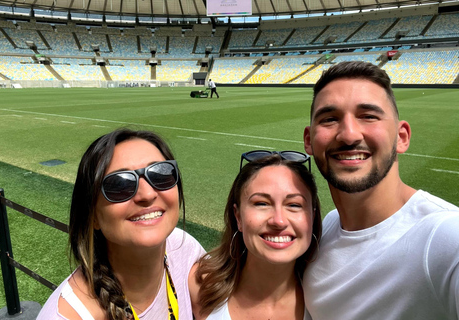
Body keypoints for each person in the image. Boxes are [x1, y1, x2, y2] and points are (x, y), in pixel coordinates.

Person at [302, 61, 459, 320]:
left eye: (368, 116)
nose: (349, 135)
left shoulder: (444, 238)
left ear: (402, 137)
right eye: (329, 119)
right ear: (309, 140)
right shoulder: (328, 228)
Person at [37, 128, 205, 320]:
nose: (147, 194)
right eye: (120, 184)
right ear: (92, 216)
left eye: (160, 174)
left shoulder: (183, 246)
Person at [189, 151, 322, 320]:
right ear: (238, 217)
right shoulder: (199, 285)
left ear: (313, 216)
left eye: (294, 205)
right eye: (261, 203)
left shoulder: (329, 300)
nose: (279, 221)